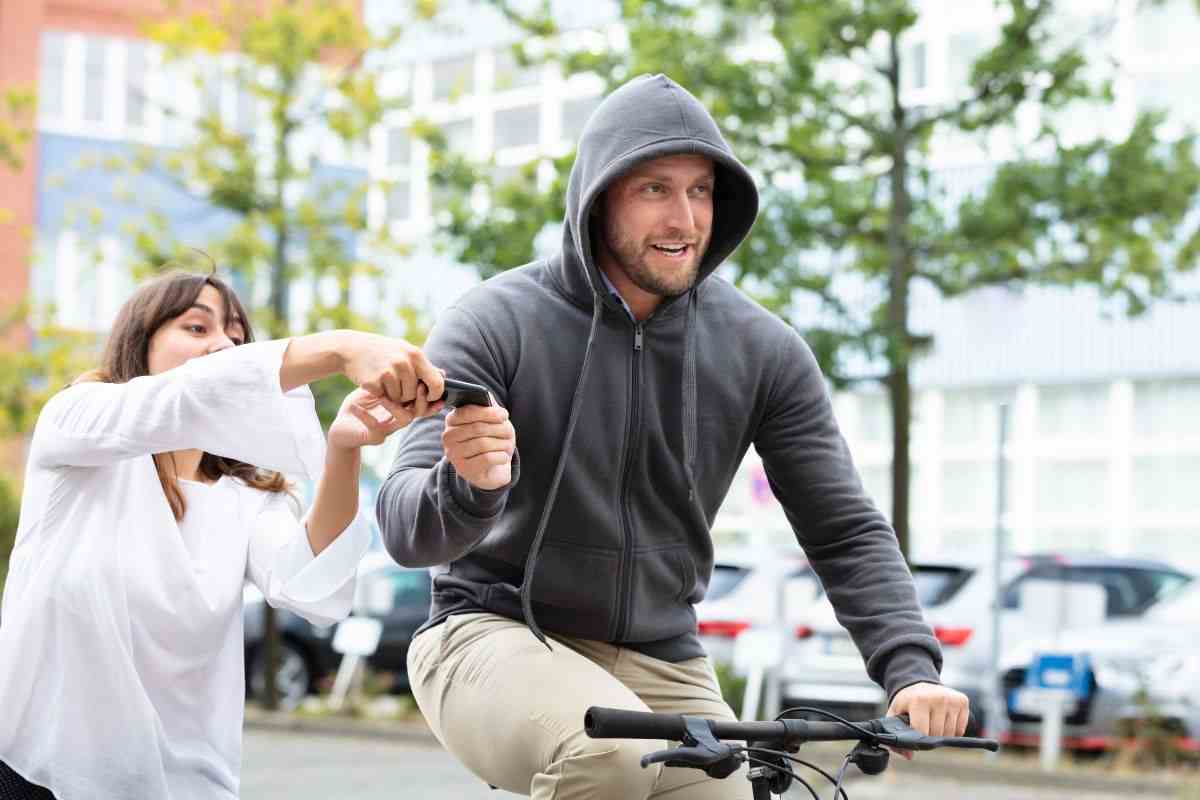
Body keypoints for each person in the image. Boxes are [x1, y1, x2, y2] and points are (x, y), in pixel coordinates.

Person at [377, 74, 969, 799]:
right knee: (607, 758)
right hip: (491, 630)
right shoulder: (494, 322)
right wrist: (466, 487)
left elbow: (842, 529)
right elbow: (407, 530)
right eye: (655, 188)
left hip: (662, 654)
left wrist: (909, 666)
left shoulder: (763, 350)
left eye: (701, 191)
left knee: (723, 793)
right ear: (598, 198)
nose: (684, 219)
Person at [0, 270, 444, 800]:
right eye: (196, 327)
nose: (223, 346)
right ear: (140, 343)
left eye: (236, 338)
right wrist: (341, 348)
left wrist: (344, 450)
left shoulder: (247, 495)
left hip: (184, 783)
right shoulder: (78, 426)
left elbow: (309, 585)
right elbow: (178, 399)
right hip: (38, 770)